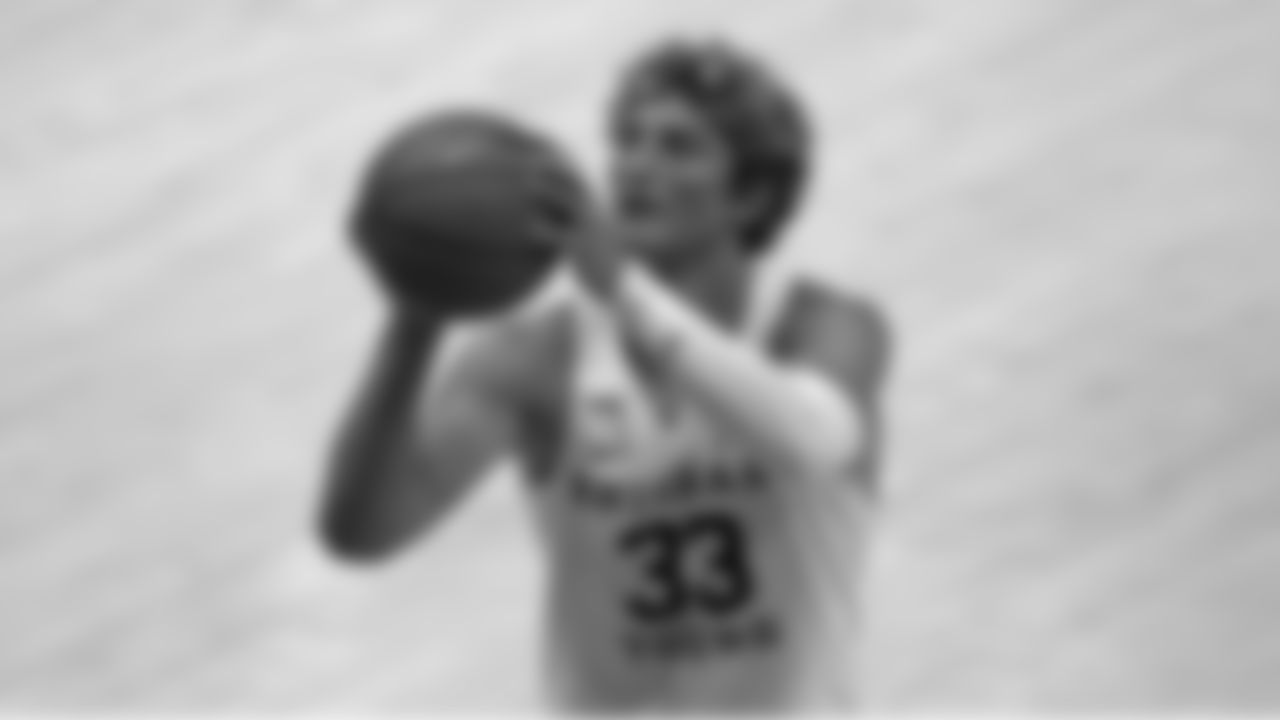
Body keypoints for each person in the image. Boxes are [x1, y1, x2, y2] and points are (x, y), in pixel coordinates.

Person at [319, 37, 892, 713]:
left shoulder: (825, 328)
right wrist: (414, 321)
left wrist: (621, 287)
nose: (636, 166)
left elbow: (809, 440)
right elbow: (360, 531)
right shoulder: (540, 359)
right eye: (626, 141)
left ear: (750, 197)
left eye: (678, 146)